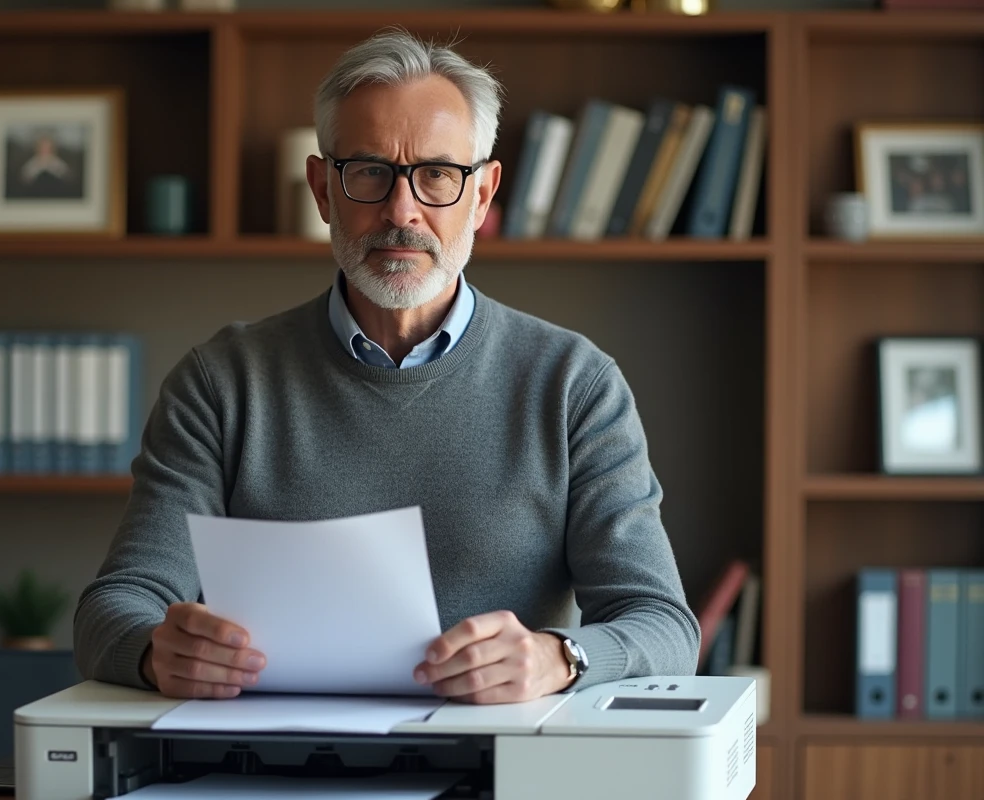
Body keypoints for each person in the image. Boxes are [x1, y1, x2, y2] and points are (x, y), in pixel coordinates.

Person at [74, 28, 700, 705]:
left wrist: (561, 657)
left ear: (482, 195)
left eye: (437, 175)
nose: (402, 212)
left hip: (500, 753)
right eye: (370, 172)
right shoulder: (221, 384)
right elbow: (116, 605)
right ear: (323, 189)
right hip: (276, 753)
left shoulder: (574, 385)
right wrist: (153, 653)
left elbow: (664, 624)